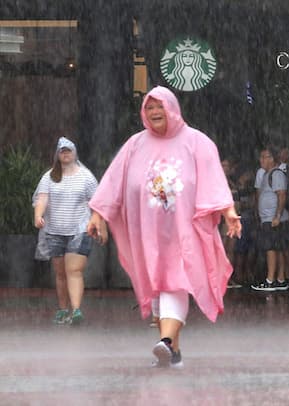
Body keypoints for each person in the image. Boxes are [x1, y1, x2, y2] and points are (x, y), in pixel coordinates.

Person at [87, 86, 242, 368]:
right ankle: (173, 352)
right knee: (158, 289)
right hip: (147, 234)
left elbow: (214, 180)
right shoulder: (135, 144)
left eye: (160, 106)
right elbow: (113, 182)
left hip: (184, 232)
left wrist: (228, 211)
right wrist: (98, 215)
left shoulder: (197, 142)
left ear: (173, 108)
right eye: (149, 107)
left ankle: (167, 342)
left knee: (176, 282)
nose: (155, 112)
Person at [33, 137, 98, 325]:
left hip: (79, 229)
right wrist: (38, 215)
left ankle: (76, 310)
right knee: (61, 273)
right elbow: (42, 199)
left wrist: (98, 224)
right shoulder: (49, 177)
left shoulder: (86, 177)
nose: (66, 154)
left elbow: (97, 203)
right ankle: (63, 309)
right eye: (62, 151)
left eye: (68, 150)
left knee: (74, 270)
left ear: (75, 153)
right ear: (57, 155)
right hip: (55, 231)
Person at [251, 146, 289, 292]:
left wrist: (277, 216)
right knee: (277, 248)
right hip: (268, 218)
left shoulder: (276, 174)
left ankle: (270, 280)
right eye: (261, 157)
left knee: (271, 248)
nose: (261, 160)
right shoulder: (266, 174)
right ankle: (280, 279)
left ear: (272, 159)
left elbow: (282, 195)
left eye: (265, 157)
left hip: (273, 218)